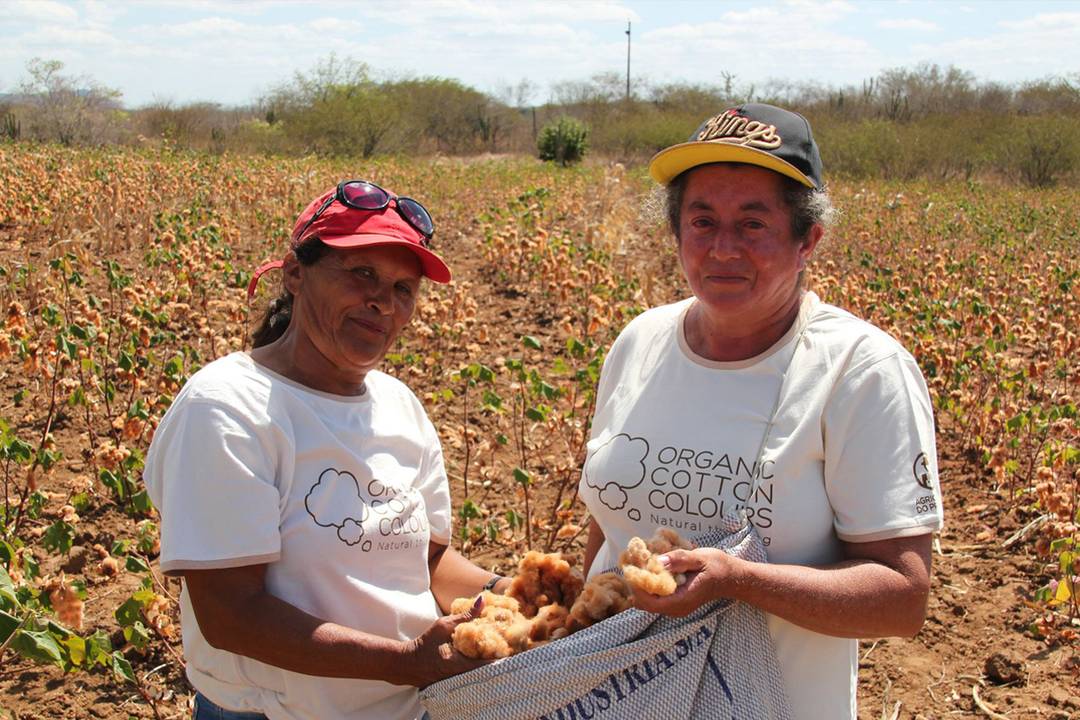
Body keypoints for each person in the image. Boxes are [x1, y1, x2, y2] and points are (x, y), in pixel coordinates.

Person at [579, 104, 943, 719]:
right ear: (675, 232)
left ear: (808, 239)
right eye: (702, 220)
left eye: (753, 223)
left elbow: (901, 597)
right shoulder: (639, 342)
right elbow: (607, 526)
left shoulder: (859, 370)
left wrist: (740, 581)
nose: (723, 248)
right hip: (608, 699)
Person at [144, 180, 509, 720]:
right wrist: (406, 659)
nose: (383, 302)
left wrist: (516, 591)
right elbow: (231, 615)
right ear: (295, 273)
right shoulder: (229, 407)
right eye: (362, 274)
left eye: (404, 288)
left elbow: (426, 561)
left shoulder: (398, 404)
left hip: (407, 705)